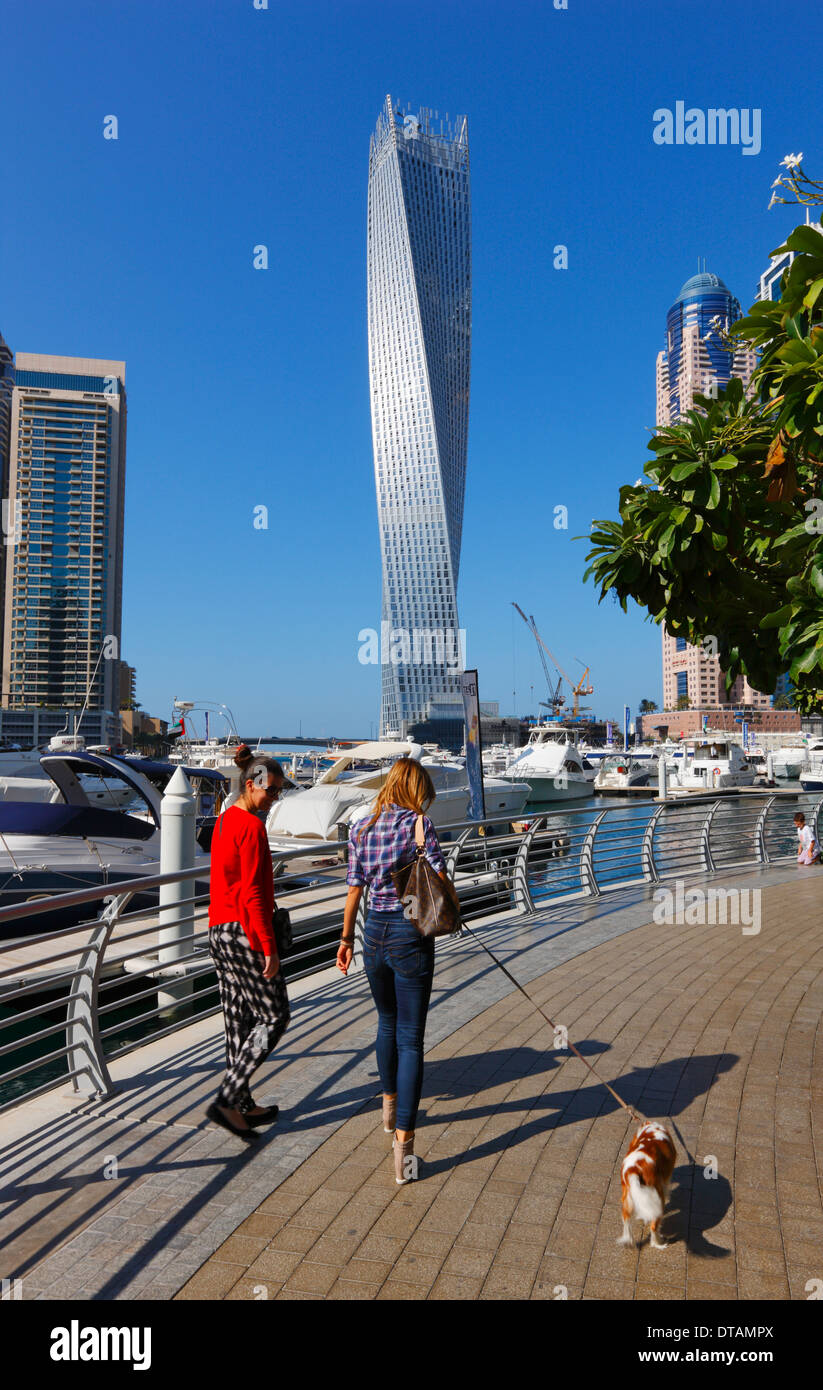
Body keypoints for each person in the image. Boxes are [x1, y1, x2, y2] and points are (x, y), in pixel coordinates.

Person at [336, 758, 451, 1185]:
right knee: (411, 1039)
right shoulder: (419, 825)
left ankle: (387, 1112)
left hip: (373, 938)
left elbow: (354, 889)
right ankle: (403, 1149)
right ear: (415, 788)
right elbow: (438, 876)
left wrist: (346, 940)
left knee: (385, 1024)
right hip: (409, 931)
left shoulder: (362, 829)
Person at [206, 756, 290, 1142]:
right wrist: (268, 947)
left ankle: (241, 1105)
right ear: (251, 784)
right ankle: (226, 1100)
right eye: (270, 789)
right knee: (274, 1017)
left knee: (238, 1022)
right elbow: (254, 892)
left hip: (218, 931)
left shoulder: (225, 819)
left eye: (279, 789)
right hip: (244, 932)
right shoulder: (252, 828)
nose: (275, 796)